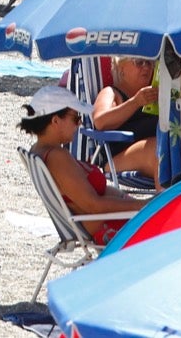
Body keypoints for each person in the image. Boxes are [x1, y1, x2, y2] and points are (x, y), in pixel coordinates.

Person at [19, 85, 142, 244]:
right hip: (110, 225)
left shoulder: (39, 150)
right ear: (55, 121)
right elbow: (94, 205)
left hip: (110, 219)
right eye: (76, 118)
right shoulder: (57, 157)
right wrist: (143, 206)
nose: (79, 124)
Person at [91, 58, 160, 180]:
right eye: (139, 62)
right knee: (158, 149)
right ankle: (165, 198)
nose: (146, 67)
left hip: (151, 153)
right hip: (117, 157)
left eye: (149, 63)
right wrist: (135, 102)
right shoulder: (112, 93)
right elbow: (100, 121)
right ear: (121, 68)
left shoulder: (155, 94)